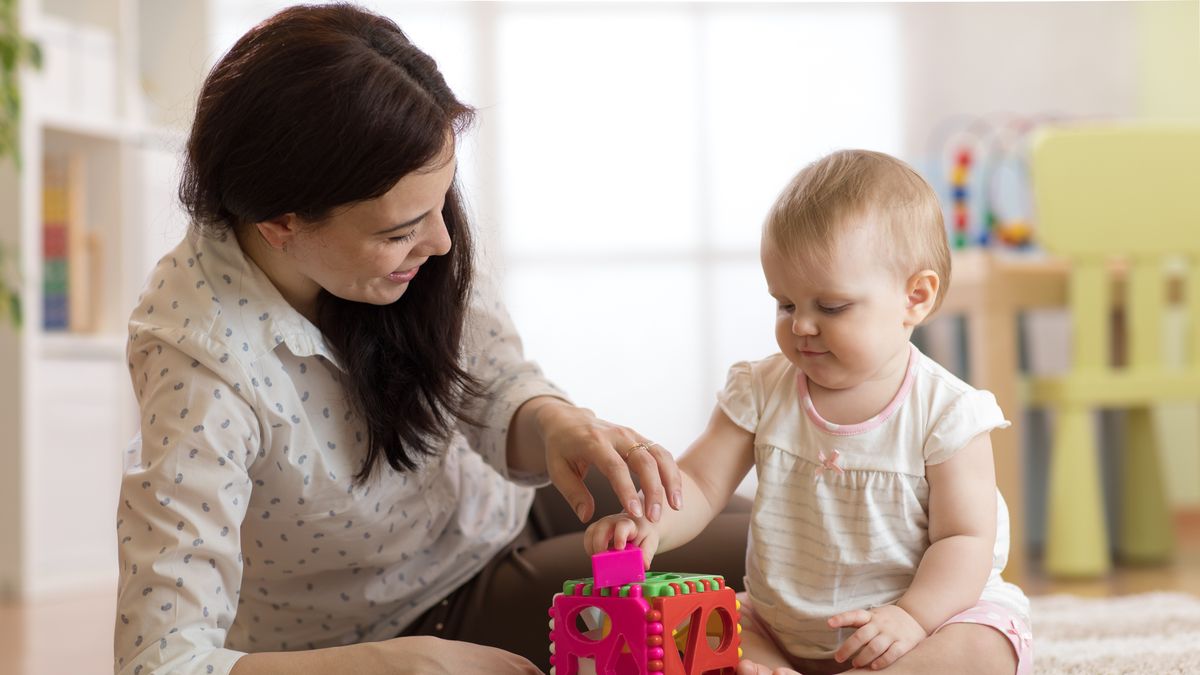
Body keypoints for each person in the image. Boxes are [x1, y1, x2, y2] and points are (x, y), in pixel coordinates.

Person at [112, 5, 749, 674]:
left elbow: (492, 382)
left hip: (507, 504)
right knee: (767, 572)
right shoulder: (199, 360)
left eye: (443, 204)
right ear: (281, 223)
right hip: (415, 612)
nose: (442, 242)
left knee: (797, 531)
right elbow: (160, 660)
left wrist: (552, 422)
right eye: (400, 231)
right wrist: (398, 665)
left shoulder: (399, 245)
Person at [585, 149, 1033, 675]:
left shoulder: (947, 413)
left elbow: (964, 539)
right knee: (711, 628)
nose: (801, 327)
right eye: (786, 304)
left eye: (831, 307)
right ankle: (773, 666)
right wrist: (652, 527)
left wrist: (910, 618)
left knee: (984, 648)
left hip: (917, 624)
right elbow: (701, 484)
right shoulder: (761, 389)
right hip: (781, 624)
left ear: (915, 297)